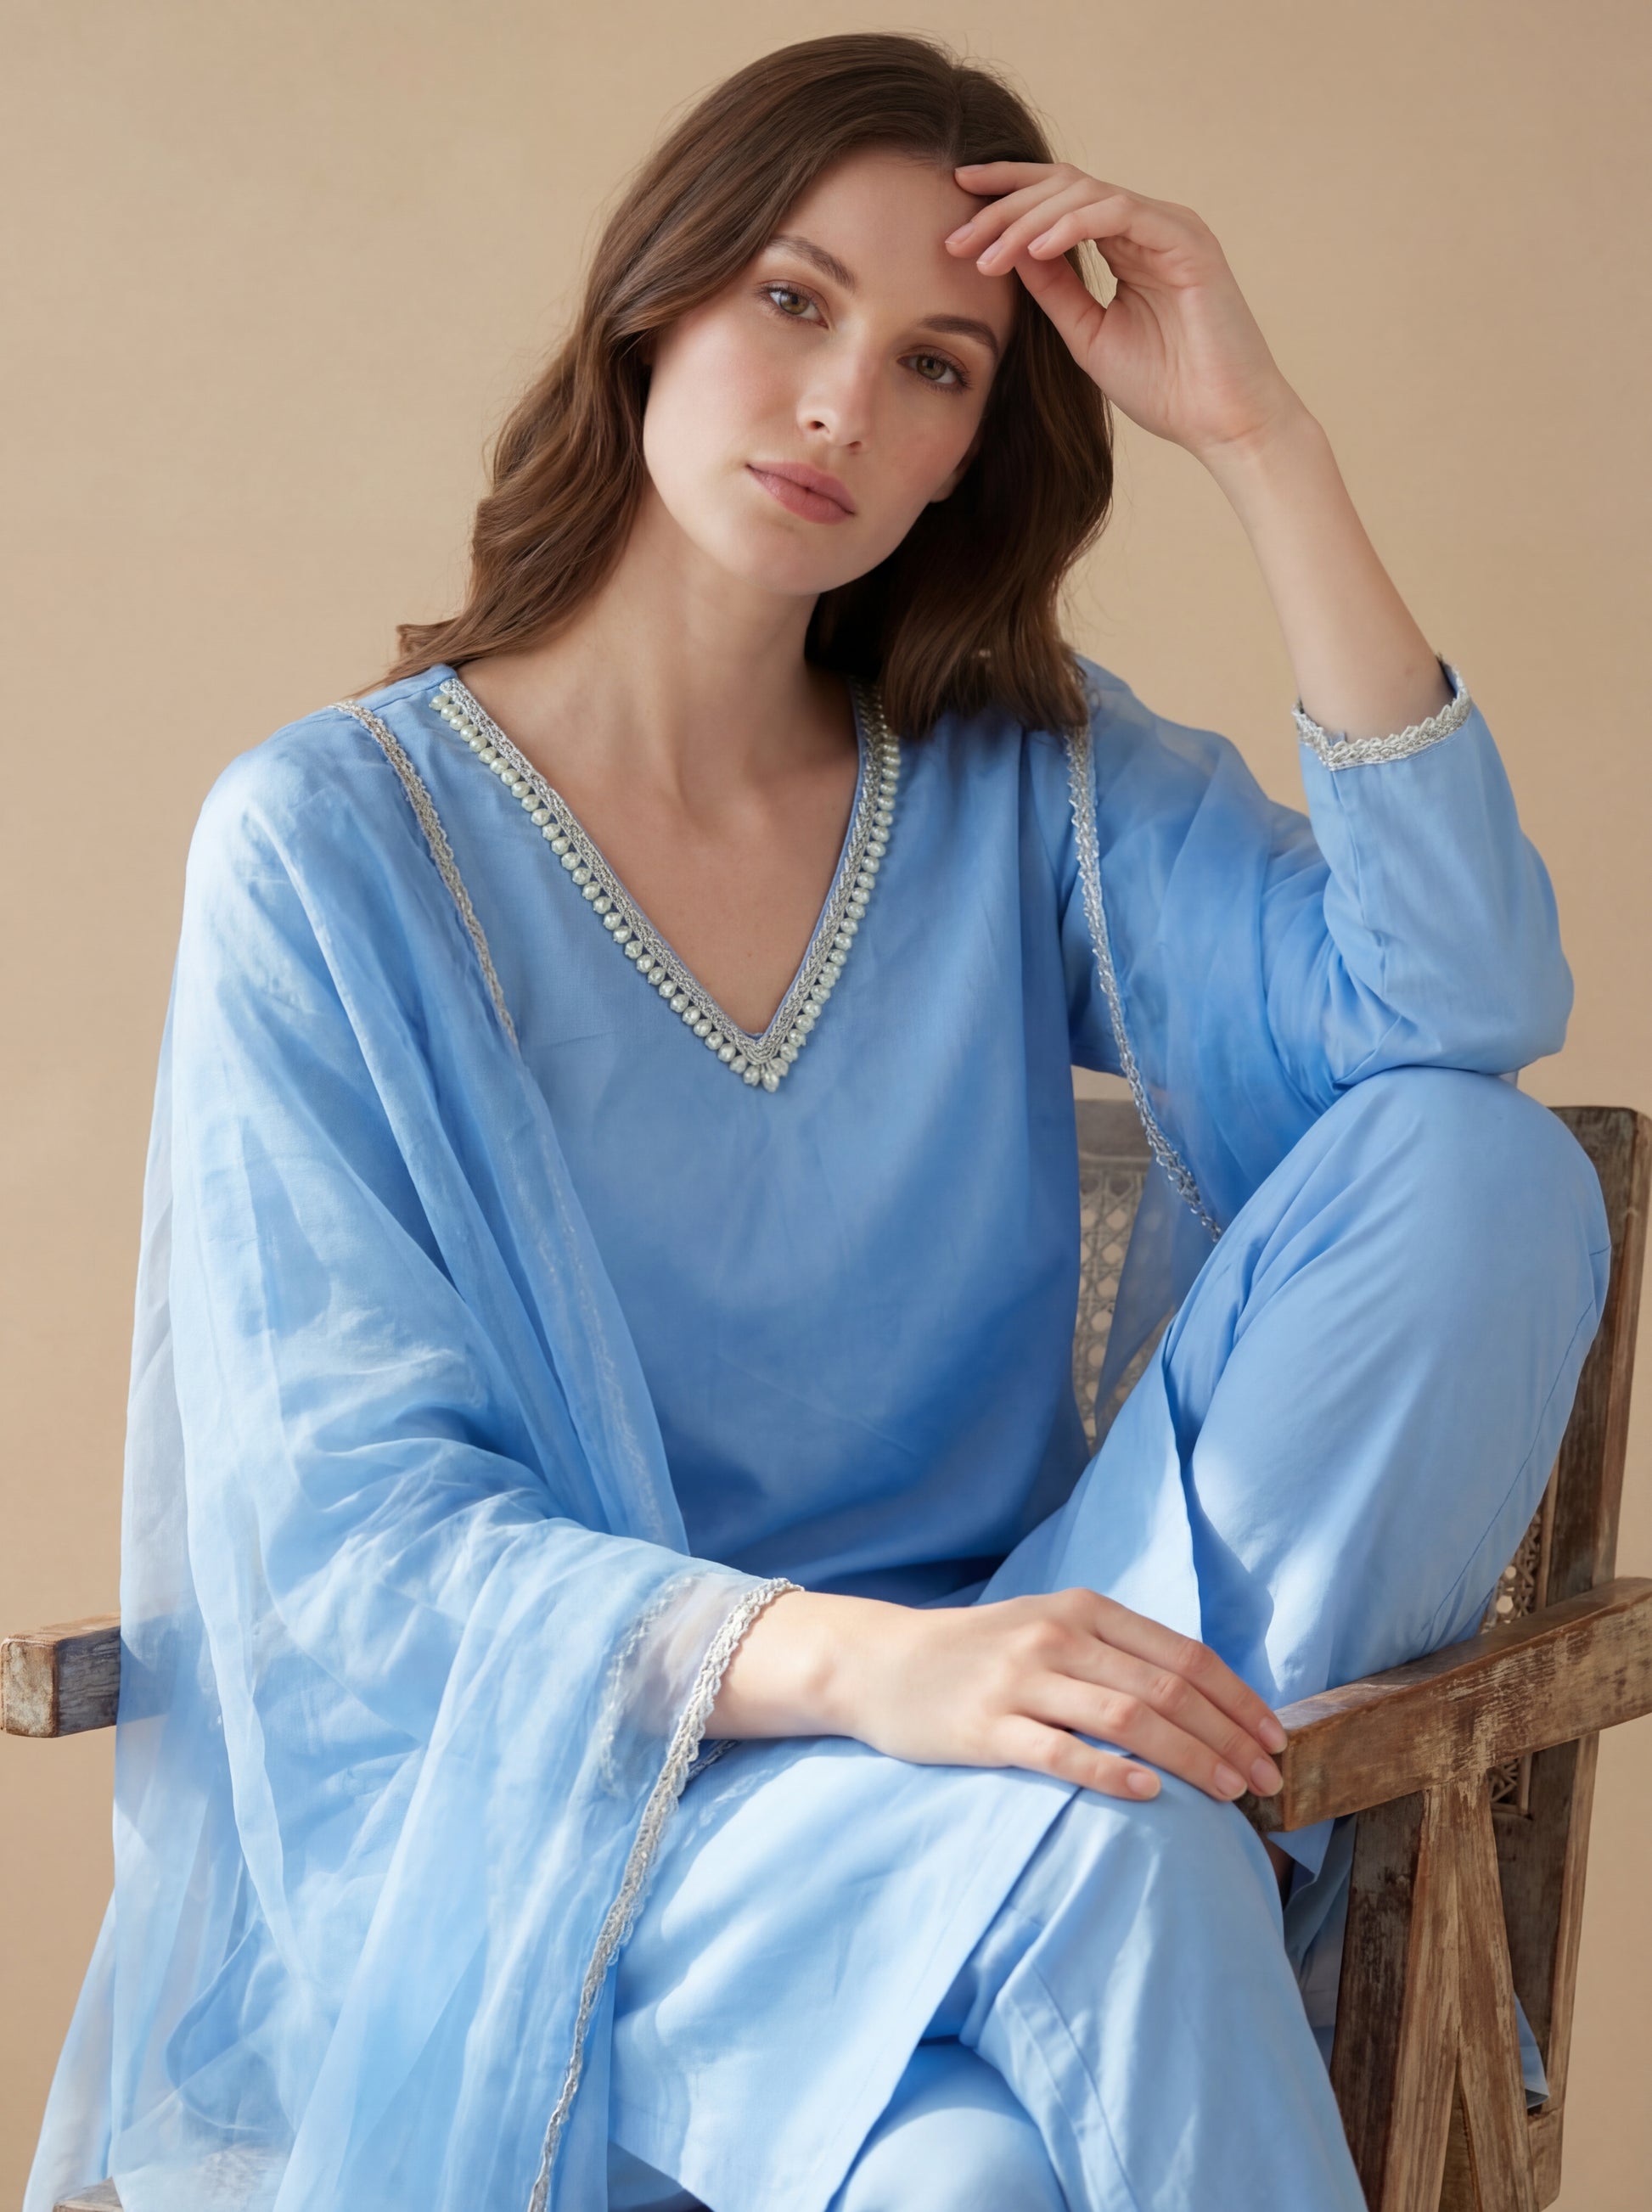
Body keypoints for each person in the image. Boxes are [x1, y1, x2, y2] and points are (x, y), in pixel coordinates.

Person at [27, 31, 1610, 2212]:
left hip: (1037, 1715)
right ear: (654, 300)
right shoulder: (332, 848)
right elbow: (359, 1557)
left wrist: (1262, 441)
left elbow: (1458, 1002)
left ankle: (1086, 1845)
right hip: (617, 1821)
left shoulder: (1013, 776)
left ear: (975, 447)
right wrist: (887, 1672)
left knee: (1479, 1171)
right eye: (792, 298)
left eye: (937, 364)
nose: (845, 404)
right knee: (1087, 1931)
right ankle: (1098, 1848)